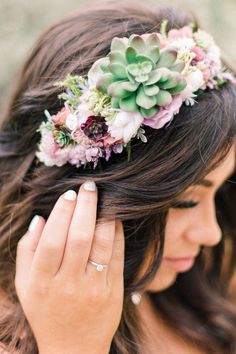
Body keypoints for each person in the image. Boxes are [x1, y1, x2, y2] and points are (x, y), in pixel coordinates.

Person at [0, 1, 236, 353]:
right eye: (186, 201)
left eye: (215, 196)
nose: (211, 233)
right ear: (89, 187)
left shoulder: (202, 284)